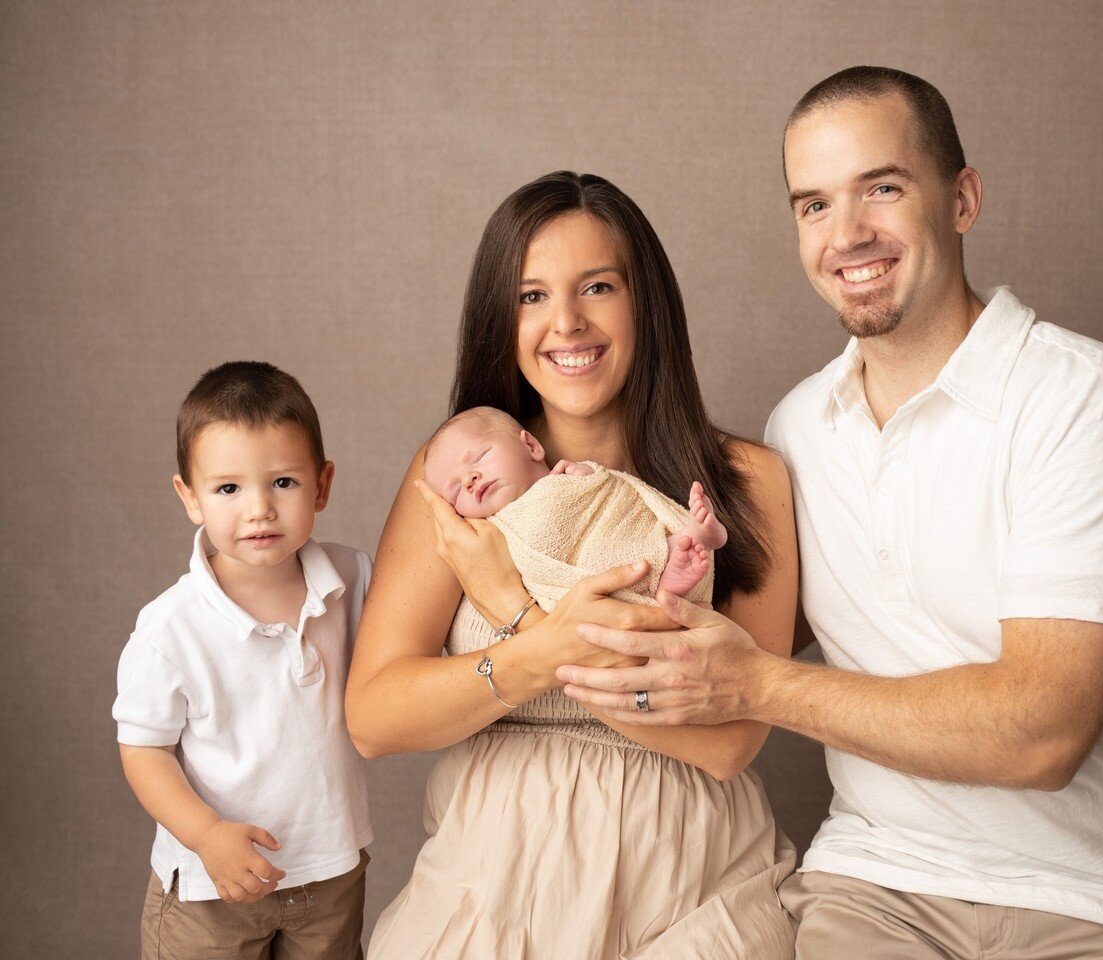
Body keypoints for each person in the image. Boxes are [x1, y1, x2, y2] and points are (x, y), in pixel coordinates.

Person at [557, 67, 1103, 959]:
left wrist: (757, 684)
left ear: (962, 199)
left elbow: (1043, 732)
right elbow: (716, 636)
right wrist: (531, 533)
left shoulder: (1087, 402)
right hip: (879, 890)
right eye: (813, 205)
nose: (847, 236)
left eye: (882, 188)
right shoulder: (796, 428)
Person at [346, 171, 798, 959]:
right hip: (493, 890)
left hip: (691, 887)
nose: (566, 323)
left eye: (597, 286)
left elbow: (728, 744)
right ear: (502, 316)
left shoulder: (747, 480)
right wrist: (538, 653)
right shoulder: (460, 476)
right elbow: (375, 716)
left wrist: (524, 619)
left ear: (643, 302)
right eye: (530, 297)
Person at [113, 361, 372, 960]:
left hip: (331, 864)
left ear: (322, 485)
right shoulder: (171, 626)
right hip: (213, 886)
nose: (258, 508)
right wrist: (206, 836)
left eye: (283, 482)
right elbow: (143, 749)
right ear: (190, 498)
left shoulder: (353, 578)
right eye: (228, 489)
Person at [421, 405, 726, 599]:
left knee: (625, 527)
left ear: (530, 445)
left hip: (611, 526)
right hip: (583, 575)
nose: (469, 479)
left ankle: (685, 536)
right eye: (455, 491)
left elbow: (613, 492)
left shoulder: (568, 477)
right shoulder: (494, 531)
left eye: (479, 457)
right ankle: (665, 566)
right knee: (594, 562)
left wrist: (589, 477)